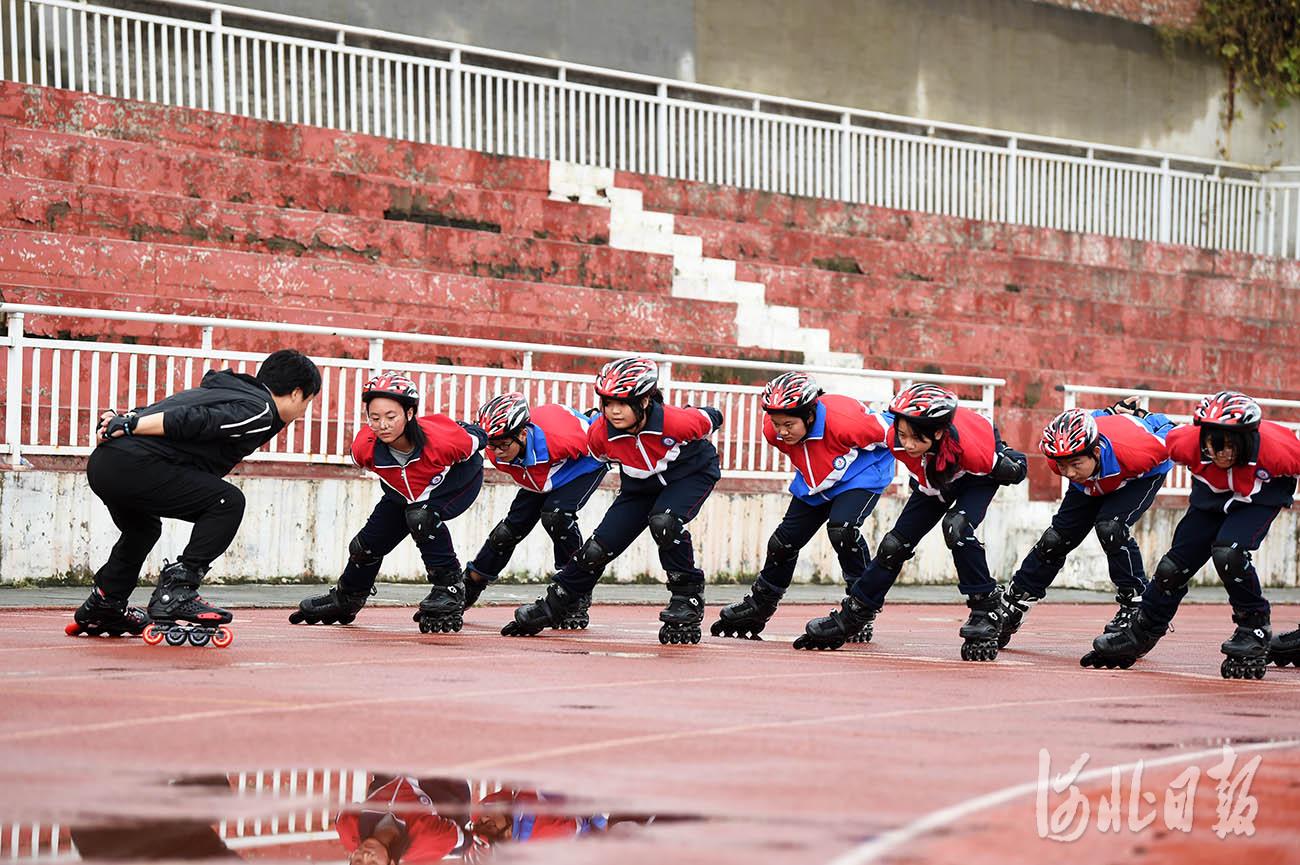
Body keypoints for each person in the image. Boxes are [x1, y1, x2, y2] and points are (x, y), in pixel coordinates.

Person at [65, 350, 320, 647]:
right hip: (134, 466)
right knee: (226, 502)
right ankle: (178, 591)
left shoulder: (228, 390)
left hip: (107, 464)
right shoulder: (260, 410)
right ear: (297, 393)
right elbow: (194, 420)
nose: (304, 411)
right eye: (308, 402)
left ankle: (106, 602)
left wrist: (125, 419)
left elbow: (175, 406)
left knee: (142, 529)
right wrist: (129, 424)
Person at [795, 383, 1028, 660]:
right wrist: (918, 453)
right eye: (903, 434)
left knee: (957, 528)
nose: (907, 444)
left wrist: (1011, 465)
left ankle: (986, 608)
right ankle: (856, 611)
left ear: (938, 432)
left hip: (977, 475)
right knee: (894, 545)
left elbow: (1015, 470)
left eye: (915, 438)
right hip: (935, 474)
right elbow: (929, 484)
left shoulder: (974, 449)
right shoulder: (898, 441)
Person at [502, 357, 723, 644]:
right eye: (607, 403)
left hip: (689, 475)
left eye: (621, 403)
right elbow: (596, 461)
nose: (613, 411)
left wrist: (693, 414)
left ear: (644, 400)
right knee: (596, 549)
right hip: (639, 486)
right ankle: (557, 602)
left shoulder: (676, 422)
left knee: (665, 522)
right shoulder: (599, 435)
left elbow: (713, 415)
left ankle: (687, 598)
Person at [1082, 391, 1300, 679]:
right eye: (1212, 443)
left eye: (1229, 444)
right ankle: (1142, 628)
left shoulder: (1282, 450)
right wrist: (1130, 415)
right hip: (1209, 498)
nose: (1220, 452)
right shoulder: (1183, 443)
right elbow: (1147, 436)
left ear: (1248, 439)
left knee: (1229, 553)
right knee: (1172, 568)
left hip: (1259, 498)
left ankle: (1253, 627)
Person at [288, 372, 486, 634]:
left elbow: (479, 437)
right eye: (375, 417)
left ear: (410, 413)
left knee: (422, 517)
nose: (383, 425)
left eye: (391, 417)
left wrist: (464, 429)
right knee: (364, 547)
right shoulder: (364, 448)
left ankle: (449, 589)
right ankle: (348, 596)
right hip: (402, 490)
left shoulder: (444, 439)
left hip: (456, 480)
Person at [711, 372, 894, 640]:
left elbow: (897, 432)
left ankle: (861, 607)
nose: (781, 432)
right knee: (783, 543)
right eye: (776, 423)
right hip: (817, 480)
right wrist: (782, 429)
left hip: (861, 475)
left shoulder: (845, 420)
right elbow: (794, 440)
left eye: (788, 424)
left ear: (809, 415)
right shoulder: (772, 431)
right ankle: (760, 604)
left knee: (842, 531)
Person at [997, 401, 1173, 649]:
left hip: (1137, 476)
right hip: (1090, 482)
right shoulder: (1061, 458)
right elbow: (1092, 418)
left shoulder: (1141, 450)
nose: (1067, 472)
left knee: (1111, 529)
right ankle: (1014, 602)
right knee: (1055, 540)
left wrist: (1149, 416)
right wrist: (1112, 411)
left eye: (1074, 463)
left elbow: (1171, 432)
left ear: (1097, 452)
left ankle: (1135, 605)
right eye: (1062, 465)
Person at [461, 393, 607, 628]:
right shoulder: (497, 448)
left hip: (583, 464)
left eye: (503, 444)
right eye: (492, 444)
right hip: (539, 473)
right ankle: (469, 585)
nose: (497, 452)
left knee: (557, 516)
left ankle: (575, 592)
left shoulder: (563, 436)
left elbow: (601, 438)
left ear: (522, 433)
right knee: (507, 532)